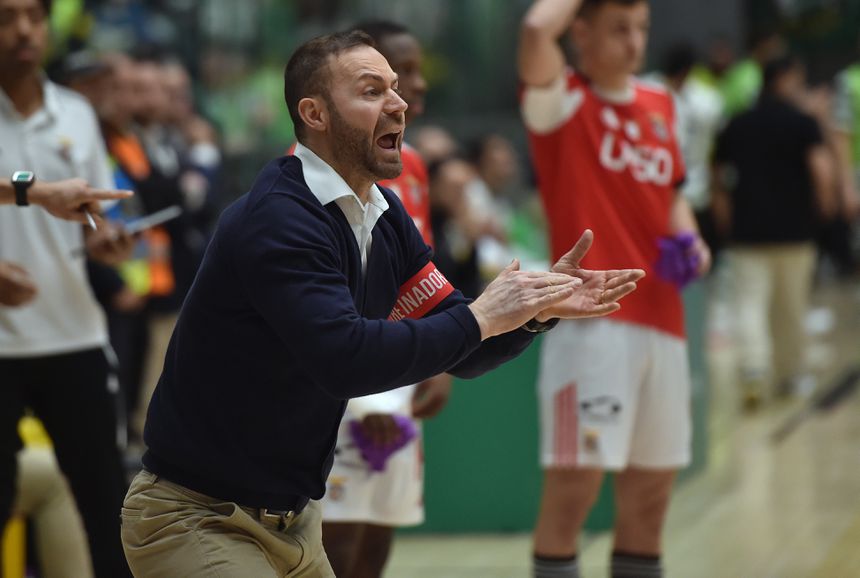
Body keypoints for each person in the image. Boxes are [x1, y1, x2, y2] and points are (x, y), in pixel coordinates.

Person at [120, 30, 644, 577]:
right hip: (196, 517)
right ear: (315, 114)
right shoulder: (279, 219)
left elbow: (461, 346)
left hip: (294, 523)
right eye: (373, 91)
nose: (399, 103)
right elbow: (345, 358)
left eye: (396, 88)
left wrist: (537, 311)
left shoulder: (382, 213)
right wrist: (483, 315)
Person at [518, 1, 711, 577]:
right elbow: (533, 28)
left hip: (664, 322)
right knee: (574, 490)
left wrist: (692, 238)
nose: (634, 42)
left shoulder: (659, 104)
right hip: (591, 326)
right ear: (580, 32)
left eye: (641, 29)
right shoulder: (562, 101)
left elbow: (674, 193)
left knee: (651, 499)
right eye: (618, 29)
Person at [0, 0, 134, 576]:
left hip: (74, 331)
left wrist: (106, 243)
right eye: (7, 16)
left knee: (107, 506)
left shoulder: (76, 111)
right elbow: (43, 193)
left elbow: (92, 213)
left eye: (34, 14)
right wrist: (37, 191)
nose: (25, 29)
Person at [317, 21, 452, 578]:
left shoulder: (411, 166)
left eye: (412, 74)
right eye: (393, 78)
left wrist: (441, 361)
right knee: (336, 534)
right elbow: (329, 299)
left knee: (381, 529)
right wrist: (369, 401)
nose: (413, 88)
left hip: (401, 369)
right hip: (349, 374)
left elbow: (419, 279)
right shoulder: (317, 169)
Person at [712, 55, 836, 406]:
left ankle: (752, 371)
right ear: (783, 80)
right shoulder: (802, 123)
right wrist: (823, 210)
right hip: (795, 231)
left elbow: (718, 178)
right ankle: (791, 376)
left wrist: (725, 218)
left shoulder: (736, 124)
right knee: (791, 307)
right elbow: (821, 171)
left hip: (746, 232)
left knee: (749, 304)